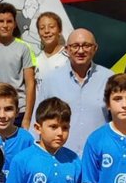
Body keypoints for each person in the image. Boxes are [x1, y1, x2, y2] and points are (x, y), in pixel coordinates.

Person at [35, 28, 113, 157]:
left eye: (86, 45)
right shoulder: (51, 80)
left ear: (95, 48)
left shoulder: (109, 78)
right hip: (61, 160)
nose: (80, 50)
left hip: (100, 158)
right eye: (75, 46)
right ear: (67, 49)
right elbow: (38, 120)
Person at [0, 2, 36, 128]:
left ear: (15, 24)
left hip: (19, 112)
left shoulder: (24, 48)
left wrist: (27, 118)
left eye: (9, 21)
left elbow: (30, 84)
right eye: (0, 21)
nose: (5, 25)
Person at [34, 11, 67, 88]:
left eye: (51, 27)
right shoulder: (35, 60)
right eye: (42, 28)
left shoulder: (68, 58)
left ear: (60, 30)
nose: (46, 31)